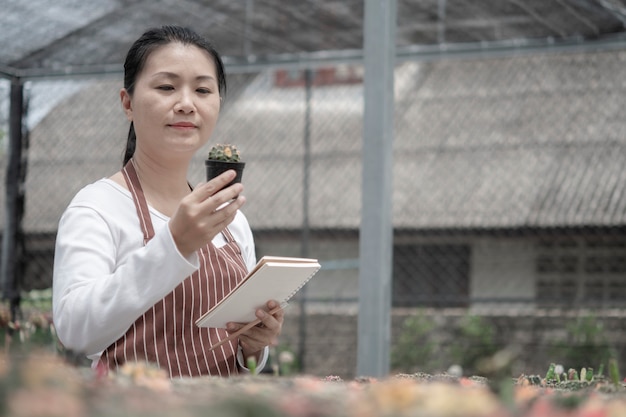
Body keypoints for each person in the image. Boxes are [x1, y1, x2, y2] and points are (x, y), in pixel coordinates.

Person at [52, 25, 283, 377]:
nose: (187, 104)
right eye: (166, 87)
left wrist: (254, 345)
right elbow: (74, 332)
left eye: (203, 90)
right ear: (127, 103)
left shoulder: (231, 219)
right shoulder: (97, 207)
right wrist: (174, 244)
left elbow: (243, 357)